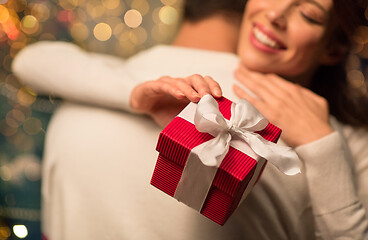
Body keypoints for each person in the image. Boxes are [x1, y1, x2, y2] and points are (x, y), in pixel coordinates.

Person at [12, 0, 368, 240]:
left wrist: (324, 147)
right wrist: (136, 94)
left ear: (333, 47)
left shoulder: (343, 139)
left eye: (308, 13)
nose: (276, 14)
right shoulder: (120, 82)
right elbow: (32, 61)